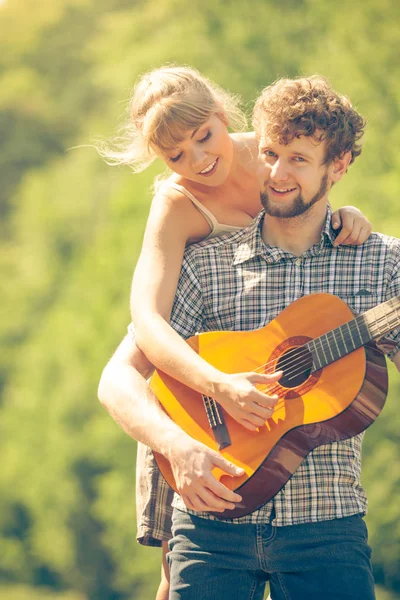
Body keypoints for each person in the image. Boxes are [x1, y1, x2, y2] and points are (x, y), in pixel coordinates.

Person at [100, 65, 373, 600]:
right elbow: (149, 320)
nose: (199, 160)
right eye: (177, 155)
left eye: (205, 136)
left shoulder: (272, 151)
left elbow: (311, 208)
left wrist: (349, 215)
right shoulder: (176, 204)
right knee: (177, 567)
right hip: (199, 372)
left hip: (267, 358)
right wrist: (214, 385)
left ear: (224, 116)